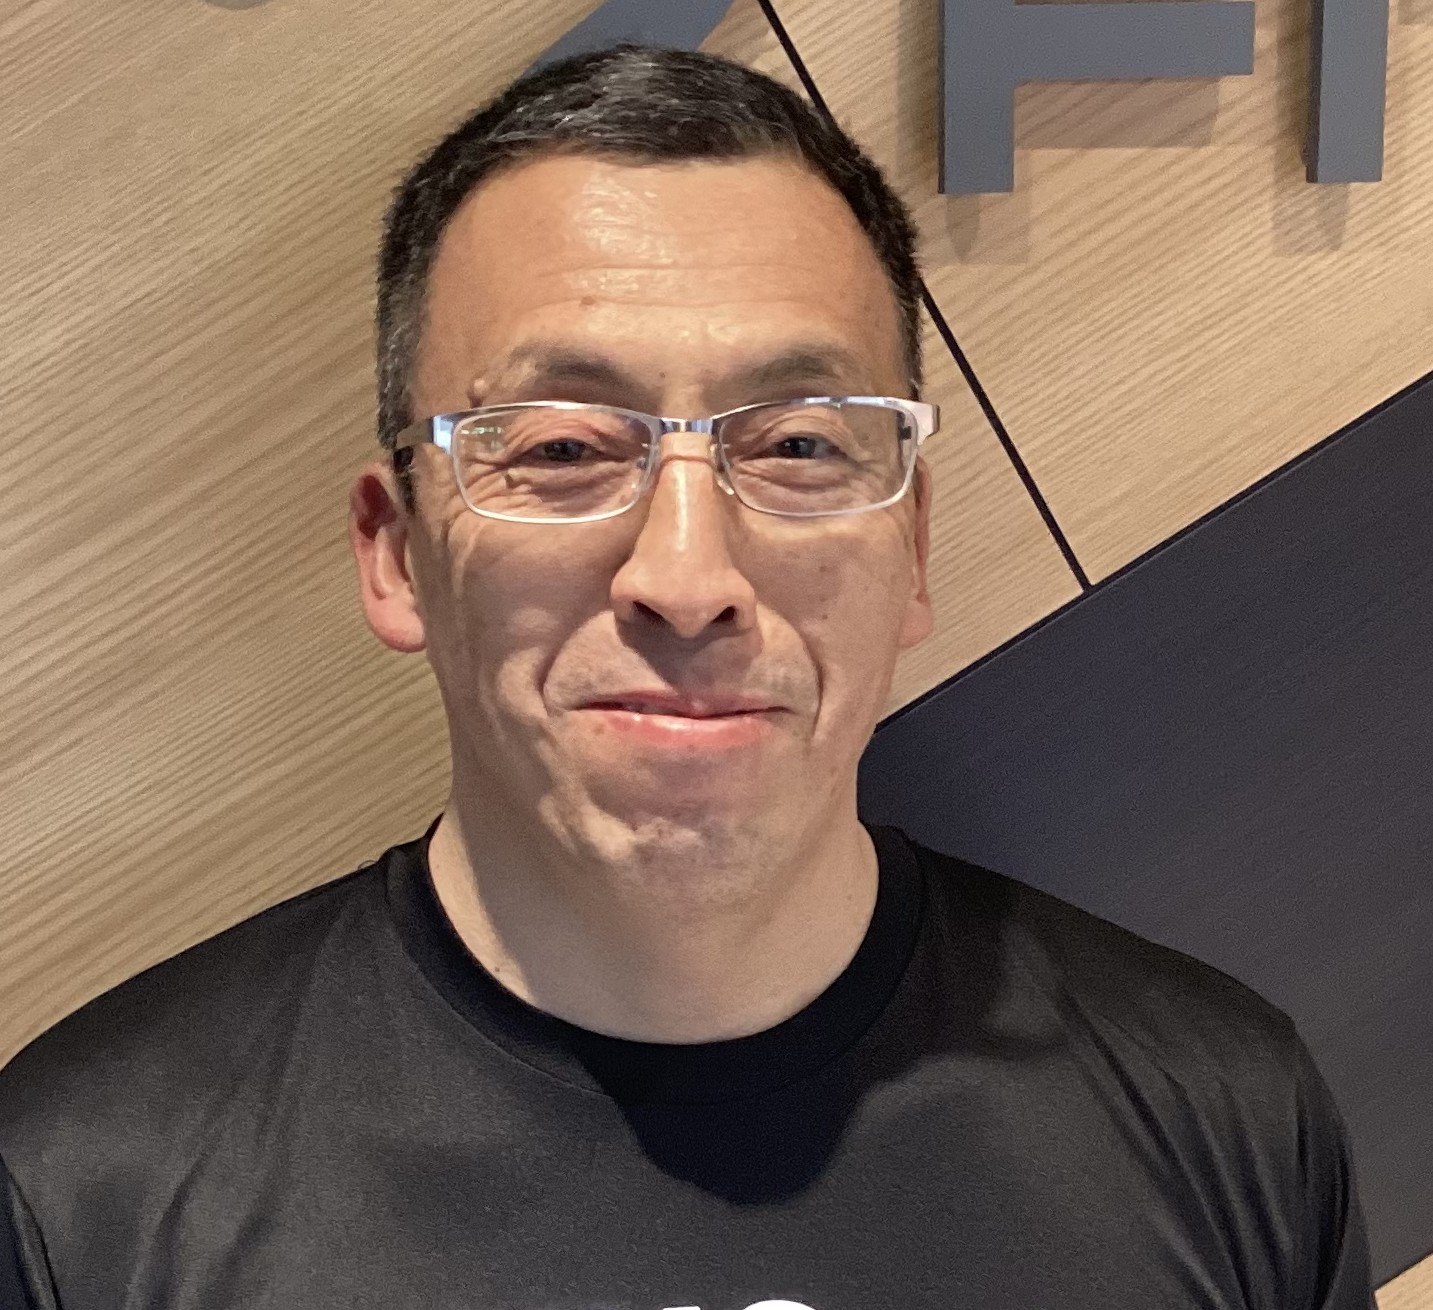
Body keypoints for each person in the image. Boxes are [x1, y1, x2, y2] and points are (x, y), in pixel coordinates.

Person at [0, 45, 1374, 1310]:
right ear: (396, 553)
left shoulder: (1225, 1116)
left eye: (797, 446)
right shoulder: (84, 1199)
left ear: (911, 546)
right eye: (559, 447)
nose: (685, 572)